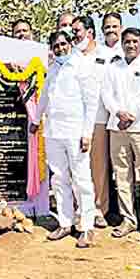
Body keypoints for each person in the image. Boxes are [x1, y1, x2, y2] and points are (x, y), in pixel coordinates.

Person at [31, 31, 99, 248]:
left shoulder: (83, 66)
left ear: (71, 44)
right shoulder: (52, 69)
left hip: (75, 133)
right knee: (59, 179)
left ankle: (87, 226)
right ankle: (65, 221)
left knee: (81, 179)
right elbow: (44, 97)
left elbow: (91, 103)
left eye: (63, 44)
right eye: (56, 46)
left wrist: (87, 133)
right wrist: (35, 119)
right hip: (53, 132)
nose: (60, 49)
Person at [102, 28, 140, 242]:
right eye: (127, 41)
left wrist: (132, 114)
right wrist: (118, 112)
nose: (130, 45)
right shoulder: (113, 66)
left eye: (135, 41)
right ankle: (128, 219)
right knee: (122, 175)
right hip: (117, 126)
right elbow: (106, 93)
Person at [77, 16, 117, 228]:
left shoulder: (108, 55)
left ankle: (99, 209)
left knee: (98, 166)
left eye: (78, 31)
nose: (75, 35)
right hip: (75, 120)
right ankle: (80, 208)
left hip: (100, 118)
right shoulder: (72, 55)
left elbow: (112, 87)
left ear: (90, 32)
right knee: (77, 166)